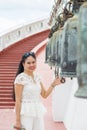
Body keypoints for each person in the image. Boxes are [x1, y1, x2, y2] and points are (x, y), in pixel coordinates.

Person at [13, 51, 61, 130]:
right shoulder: (20, 78)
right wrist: (17, 121)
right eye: (28, 63)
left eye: (33, 62)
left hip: (37, 110)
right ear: (23, 64)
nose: (32, 65)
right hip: (26, 112)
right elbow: (18, 100)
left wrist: (54, 84)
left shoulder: (37, 77)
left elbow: (44, 95)